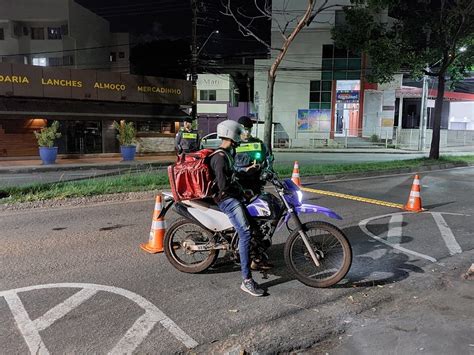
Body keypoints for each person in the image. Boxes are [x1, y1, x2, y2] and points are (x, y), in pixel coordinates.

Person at [209, 119, 265, 297]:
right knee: (245, 232)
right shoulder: (219, 157)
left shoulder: (227, 154)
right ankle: (246, 280)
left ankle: (256, 254)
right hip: (226, 200)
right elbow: (224, 185)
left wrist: (246, 172)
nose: (241, 136)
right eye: (238, 133)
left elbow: (231, 175)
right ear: (231, 134)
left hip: (232, 195)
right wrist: (241, 192)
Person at [234, 115, 272, 196]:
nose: (247, 133)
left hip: (256, 183)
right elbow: (228, 165)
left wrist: (266, 171)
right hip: (238, 183)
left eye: (249, 130)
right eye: (245, 130)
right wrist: (244, 170)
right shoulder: (234, 144)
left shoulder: (259, 144)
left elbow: (268, 159)